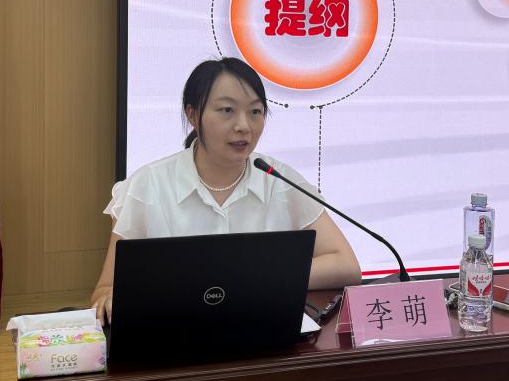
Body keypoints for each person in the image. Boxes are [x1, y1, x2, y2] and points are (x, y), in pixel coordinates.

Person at [91, 57, 361, 323]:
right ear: (193, 115)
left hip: (262, 336)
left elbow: (346, 265)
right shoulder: (146, 186)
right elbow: (104, 291)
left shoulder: (279, 180)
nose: (244, 126)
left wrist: (257, 278)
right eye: (227, 110)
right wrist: (111, 299)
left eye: (255, 112)